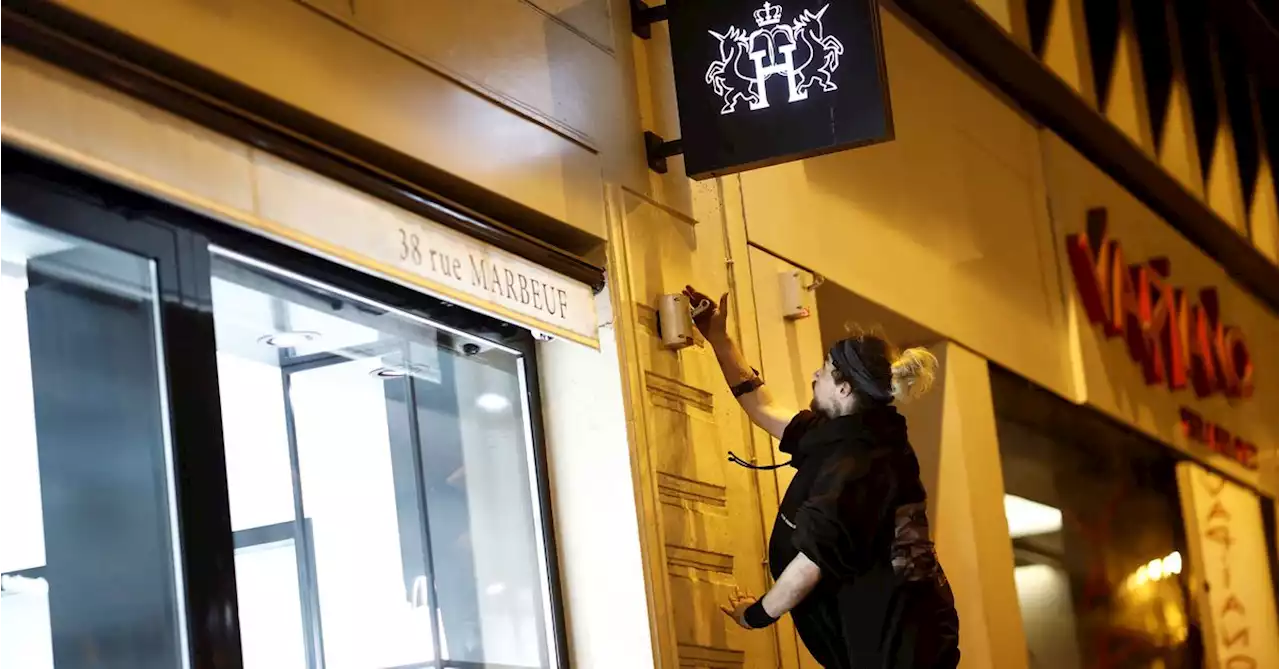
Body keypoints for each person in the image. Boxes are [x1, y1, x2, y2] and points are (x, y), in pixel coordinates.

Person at [684, 286, 961, 669]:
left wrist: (755, 615)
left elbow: (811, 563)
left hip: (897, 655)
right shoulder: (849, 434)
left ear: (845, 388)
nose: (816, 375)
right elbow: (762, 407)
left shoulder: (864, 464)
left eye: (826, 370)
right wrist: (720, 341)